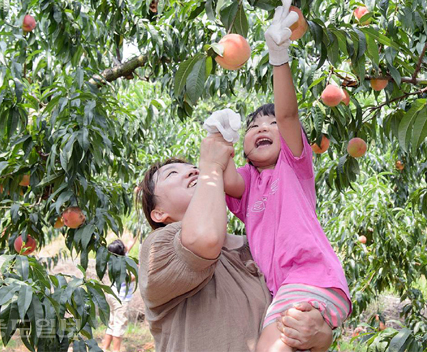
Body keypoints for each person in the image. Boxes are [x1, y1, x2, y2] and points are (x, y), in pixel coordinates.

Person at [221, 0, 351, 351]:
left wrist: (279, 59)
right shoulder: (246, 184)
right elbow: (223, 177)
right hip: (287, 288)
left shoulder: (293, 166)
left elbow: (290, 116)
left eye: (271, 123)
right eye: (252, 126)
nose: (263, 127)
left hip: (311, 277)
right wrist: (221, 136)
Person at [137, 141, 334, 351]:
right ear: (158, 214)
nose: (193, 171)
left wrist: (320, 335)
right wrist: (211, 166)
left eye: (194, 167)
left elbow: (301, 306)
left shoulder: (259, 247)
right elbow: (206, 239)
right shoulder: (157, 249)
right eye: (172, 173)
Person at [101, 237, 137, 352]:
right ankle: (116, 350)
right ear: (122, 252)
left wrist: (136, 234)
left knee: (112, 322)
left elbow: (129, 244)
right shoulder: (121, 265)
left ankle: (105, 348)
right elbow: (128, 279)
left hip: (112, 295)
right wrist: (140, 270)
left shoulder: (114, 259)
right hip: (120, 299)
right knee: (119, 324)